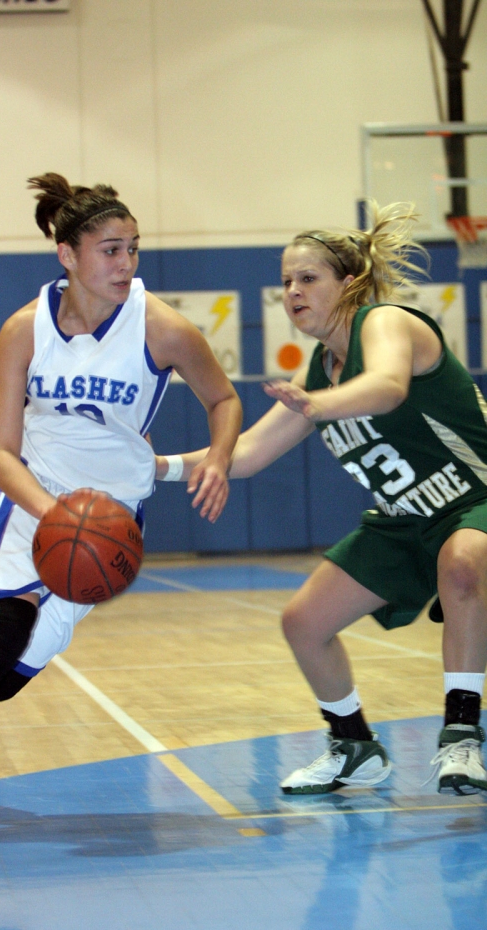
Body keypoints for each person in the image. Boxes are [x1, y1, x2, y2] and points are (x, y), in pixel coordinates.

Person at [0, 173, 242, 851]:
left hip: (108, 519)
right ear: (68, 254)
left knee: (7, 677)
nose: (126, 264)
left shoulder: (162, 327)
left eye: (133, 248)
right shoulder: (24, 330)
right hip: (30, 497)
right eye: (110, 249)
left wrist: (219, 457)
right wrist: (53, 514)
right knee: (5, 631)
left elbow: (223, 400)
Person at [157, 200, 487, 797]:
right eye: (286, 281)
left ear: (351, 282)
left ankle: (462, 734)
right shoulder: (321, 368)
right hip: (408, 519)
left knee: (462, 564)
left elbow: (386, 388)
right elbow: (248, 454)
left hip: (475, 500)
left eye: (308, 278)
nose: (292, 291)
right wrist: (148, 468)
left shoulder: (385, 323)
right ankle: (353, 746)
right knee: (304, 621)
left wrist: (318, 405)